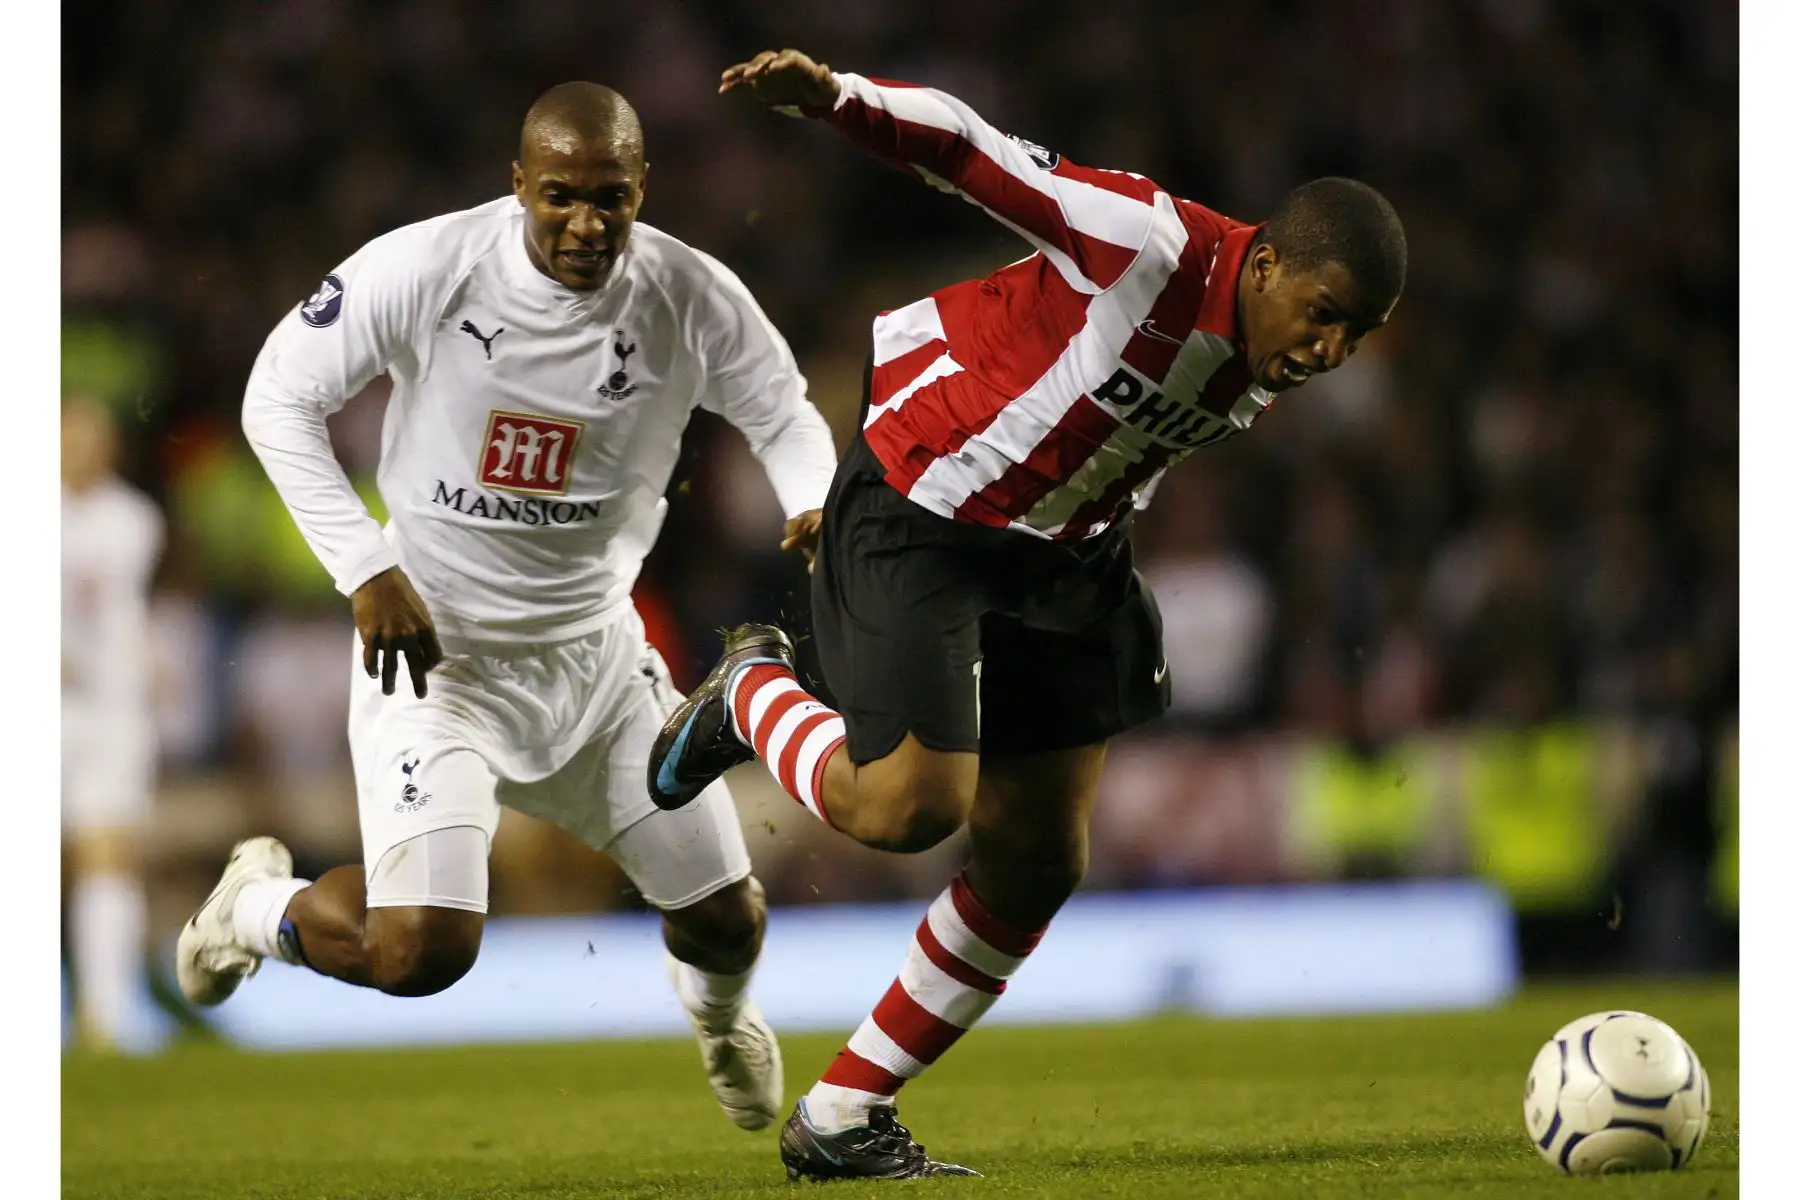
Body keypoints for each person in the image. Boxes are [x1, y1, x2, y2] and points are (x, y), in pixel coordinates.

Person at [649, 49, 1408, 1179]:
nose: (1330, 353)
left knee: (1036, 860)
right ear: (1269, 261)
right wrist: (837, 98)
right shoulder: (1150, 242)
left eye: (1357, 337)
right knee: (907, 809)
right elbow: (971, 152)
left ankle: (845, 1115)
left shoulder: (1271, 345)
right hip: (929, 504)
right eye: (1325, 315)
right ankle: (750, 693)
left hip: (1069, 552)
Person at [176, 81, 839, 1132]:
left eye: (611, 198)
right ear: (518, 182)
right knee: (420, 956)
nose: (587, 223)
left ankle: (718, 1022)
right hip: (436, 659)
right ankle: (255, 912)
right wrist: (363, 566)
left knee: (727, 920)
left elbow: (785, 411)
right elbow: (277, 396)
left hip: (595, 663)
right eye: (562, 197)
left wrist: (809, 500)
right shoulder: (428, 267)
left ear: (642, 188)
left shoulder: (689, 293)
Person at [62, 394, 166, 1053]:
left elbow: (113, 609)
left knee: (107, 855)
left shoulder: (133, 518)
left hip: (110, 712)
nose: (79, 447)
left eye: (91, 436)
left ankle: (105, 1019)